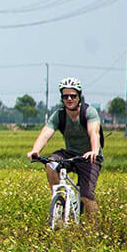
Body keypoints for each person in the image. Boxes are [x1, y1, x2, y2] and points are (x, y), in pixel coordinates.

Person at [27, 77, 103, 218]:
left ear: (79, 96)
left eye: (73, 96)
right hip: (70, 154)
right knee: (50, 164)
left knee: (86, 196)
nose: (69, 99)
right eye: (65, 96)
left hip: (89, 157)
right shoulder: (59, 115)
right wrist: (35, 150)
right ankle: (59, 202)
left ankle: (95, 229)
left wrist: (94, 150)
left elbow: (94, 132)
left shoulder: (89, 112)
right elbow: (45, 133)